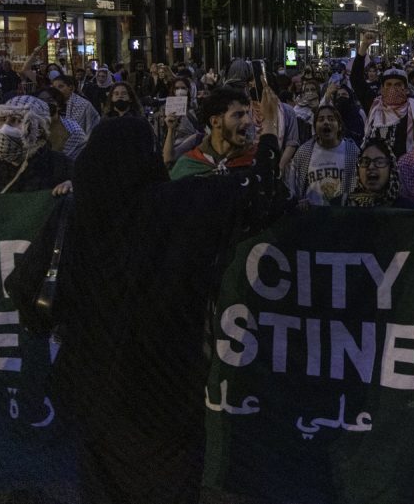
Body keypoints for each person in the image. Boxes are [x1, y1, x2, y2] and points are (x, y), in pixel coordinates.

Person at [42, 116, 283, 504]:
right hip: (168, 388)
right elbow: (260, 194)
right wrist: (270, 136)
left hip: (94, 390)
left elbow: (27, 292)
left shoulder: (74, 213)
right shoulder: (180, 205)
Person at [171, 86, 278, 181]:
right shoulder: (188, 165)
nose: (248, 121)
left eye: (246, 113)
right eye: (238, 115)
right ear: (215, 122)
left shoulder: (255, 158)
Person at [353, 33, 414, 158]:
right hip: (376, 170)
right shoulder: (374, 105)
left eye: (398, 85)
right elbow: (356, 80)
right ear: (382, 89)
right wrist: (363, 47)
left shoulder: (413, 110)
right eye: (388, 85)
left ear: (405, 89)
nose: (393, 89)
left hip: (404, 169)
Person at [288, 104, 360, 207]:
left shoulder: (352, 151)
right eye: (321, 119)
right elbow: (293, 186)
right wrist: (298, 202)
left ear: (339, 126)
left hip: (344, 215)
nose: (326, 122)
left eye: (331, 119)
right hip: (313, 217)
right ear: (315, 127)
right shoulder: (304, 152)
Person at [348, 138, 414, 207]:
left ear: (391, 169)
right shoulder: (344, 205)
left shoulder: (407, 208)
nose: (371, 167)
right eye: (365, 162)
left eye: (379, 162)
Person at [35, 85, 87, 161]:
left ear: (59, 105)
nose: (45, 105)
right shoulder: (31, 128)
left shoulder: (73, 131)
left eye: (50, 100)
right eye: (41, 101)